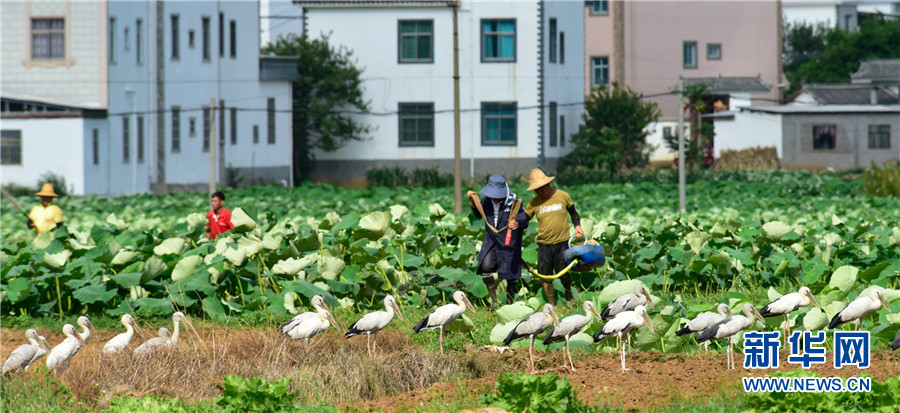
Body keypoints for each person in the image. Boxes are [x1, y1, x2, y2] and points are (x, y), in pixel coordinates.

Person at [524, 169, 583, 306]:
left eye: (541, 188)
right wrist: (515, 225)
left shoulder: (563, 196)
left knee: (564, 273)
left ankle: (569, 297)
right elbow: (524, 219)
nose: (539, 192)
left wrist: (577, 226)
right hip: (544, 244)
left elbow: (574, 213)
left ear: (548, 184)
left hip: (562, 242)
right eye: (536, 190)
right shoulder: (534, 203)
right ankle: (551, 304)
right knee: (545, 276)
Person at [467, 175, 529, 308]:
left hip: (508, 241)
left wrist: (518, 223)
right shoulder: (486, 200)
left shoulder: (514, 201)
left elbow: (524, 219)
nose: (495, 197)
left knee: (510, 273)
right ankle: (494, 301)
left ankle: (509, 303)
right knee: (486, 267)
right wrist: (473, 201)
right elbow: (478, 213)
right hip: (491, 240)